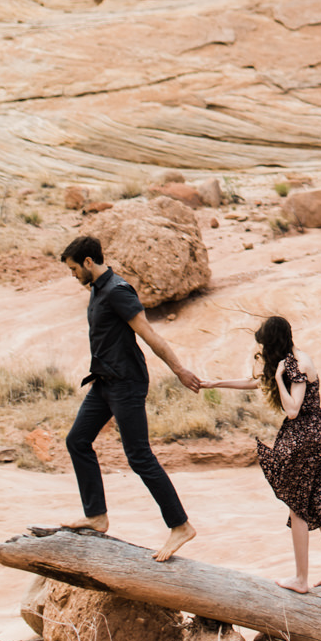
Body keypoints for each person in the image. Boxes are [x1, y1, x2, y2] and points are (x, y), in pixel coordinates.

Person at [58, 233, 202, 563]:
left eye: (73, 269)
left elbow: (150, 335)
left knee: (138, 455)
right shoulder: (96, 289)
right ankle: (97, 517)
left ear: (88, 263)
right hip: (104, 383)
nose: (73, 275)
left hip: (127, 383)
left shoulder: (118, 291)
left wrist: (179, 370)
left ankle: (180, 525)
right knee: (77, 440)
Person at [207, 316, 321, 593]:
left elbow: (293, 409)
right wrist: (215, 383)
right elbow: (254, 382)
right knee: (316, 506)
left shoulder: (295, 365)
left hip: (305, 439)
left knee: (298, 509)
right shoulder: (293, 358)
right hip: (319, 436)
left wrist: (278, 379)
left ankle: (300, 579)